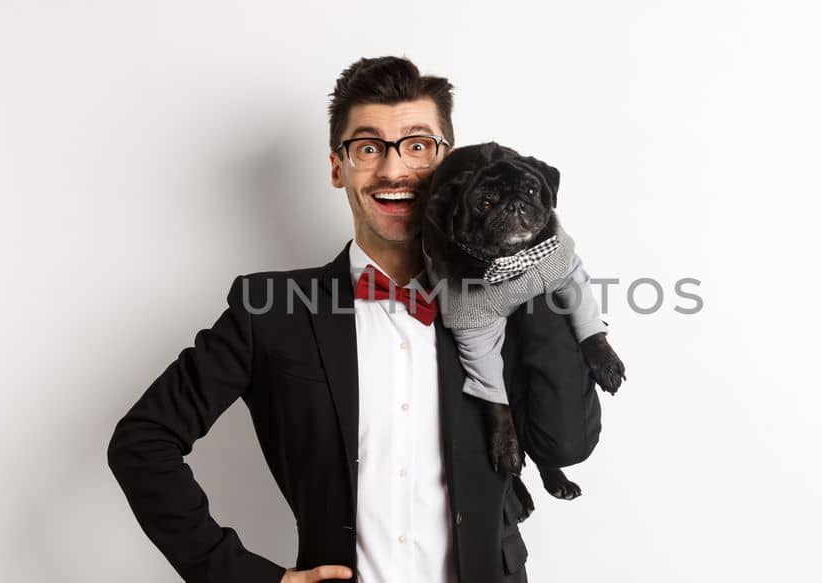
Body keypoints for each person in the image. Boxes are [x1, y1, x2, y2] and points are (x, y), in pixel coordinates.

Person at [106, 56, 603, 583]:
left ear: (450, 166)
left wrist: (530, 270)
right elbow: (142, 441)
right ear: (337, 166)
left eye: (417, 146)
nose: (393, 170)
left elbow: (566, 444)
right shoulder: (269, 309)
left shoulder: (501, 297)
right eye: (368, 148)